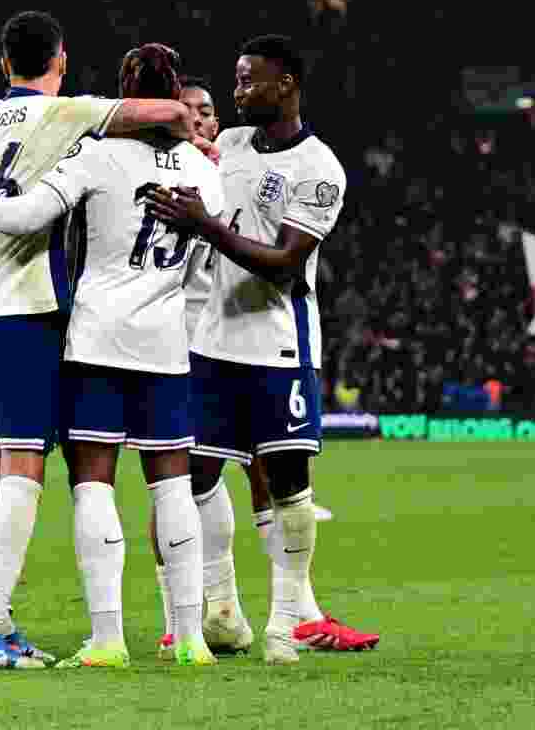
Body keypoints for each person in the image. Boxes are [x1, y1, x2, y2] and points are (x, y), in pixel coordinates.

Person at [0, 11, 213, 671]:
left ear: (3, 64)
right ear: (61, 59)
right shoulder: (69, 114)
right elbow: (159, 106)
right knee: (25, 467)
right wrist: (187, 129)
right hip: (25, 312)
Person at [145, 35, 379, 664]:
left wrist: (207, 226)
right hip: (212, 344)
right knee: (191, 478)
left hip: (279, 346)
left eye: (250, 81)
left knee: (289, 484)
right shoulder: (230, 149)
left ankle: (284, 625)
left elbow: (283, 265)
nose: (239, 91)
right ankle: (215, 613)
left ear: (288, 85)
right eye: (237, 80)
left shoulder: (319, 168)